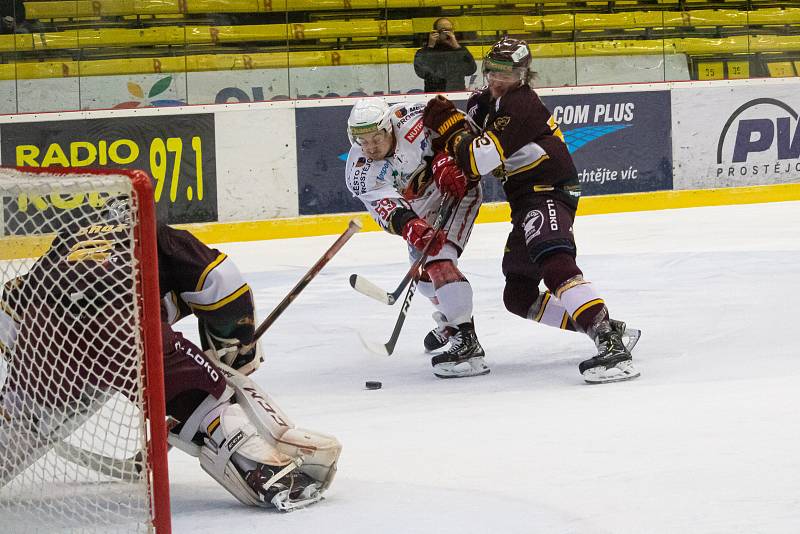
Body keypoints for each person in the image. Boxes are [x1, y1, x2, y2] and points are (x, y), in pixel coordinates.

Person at [0, 196, 341, 511]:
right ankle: (271, 477)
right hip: (122, 326)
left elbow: (10, 303)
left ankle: (17, 422)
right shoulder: (161, 236)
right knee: (209, 400)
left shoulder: (70, 241)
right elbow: (222, 282)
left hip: (37, 335)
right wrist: (236, 342)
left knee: (20, 414)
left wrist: (40, 369)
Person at [420, 37, 641, 384]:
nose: (498, 79)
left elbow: (478, 159)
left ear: (523, 74)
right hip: (523, 200)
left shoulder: (522, 104)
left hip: (549, 191)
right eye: (494, 70)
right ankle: (606, 326)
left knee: (554, 261)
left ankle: (609, 343)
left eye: (508, 73)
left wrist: (450, 132)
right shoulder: (481, 102)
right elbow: (466, 147)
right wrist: (445, 140)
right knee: (518, 294)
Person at [344, 97, 488, 379]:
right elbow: (388, 210)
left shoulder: (413, 119)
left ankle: (467, 340)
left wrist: (449, 159)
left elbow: (461, 128)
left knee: (437, 260)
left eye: (376, 138)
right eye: (364, 142)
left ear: (388, 128)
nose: (371, 147)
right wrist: (411, 227)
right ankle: (450, 320)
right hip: (419, 205)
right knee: (422, 278)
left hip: (456, 189)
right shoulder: (359, 171)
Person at [413, 17, 477, 93]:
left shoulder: (459, 51)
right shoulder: (425, 52)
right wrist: (430, 47)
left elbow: (470, 70)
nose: (448, 34)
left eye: (450, 30)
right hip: (434, 96)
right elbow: (421, 72)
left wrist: (457, 47)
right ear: (436, 32)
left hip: (457, 95)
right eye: (444, 30)